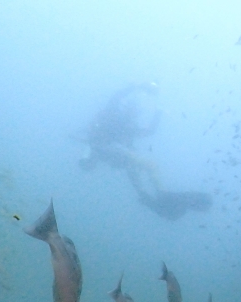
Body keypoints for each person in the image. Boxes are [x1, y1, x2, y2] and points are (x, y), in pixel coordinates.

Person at [79, 83, 212, 220]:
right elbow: (117, 96)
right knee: (150, 164)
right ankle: (162, 194)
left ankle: (148, 199)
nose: (136, 114)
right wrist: (139, 86)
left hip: (113, 154)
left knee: (134, 167)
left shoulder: (128, 125)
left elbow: (148, 132)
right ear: (129, 108)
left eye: (138, 112)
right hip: (103, 148)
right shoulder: (113, 114)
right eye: (135, 110)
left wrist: (158, 113)